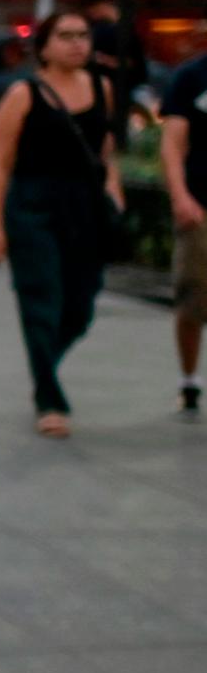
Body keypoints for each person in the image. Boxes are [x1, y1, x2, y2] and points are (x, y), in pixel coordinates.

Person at [0, 9, 122, 438]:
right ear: (44, 46)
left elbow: (106, 149)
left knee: (80, 306)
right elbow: (0, 163)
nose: (78, 43)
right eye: (66, 36)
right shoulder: (24, 94)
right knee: (42, 298)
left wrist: (114, 190)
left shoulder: (102, 87)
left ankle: (45, 369)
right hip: (33, 207)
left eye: (83, 35)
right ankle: (49, 398)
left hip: (85, 206)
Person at [161, 44, 207, 417]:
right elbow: (173, 143)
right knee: (194, 298)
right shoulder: (191, 77)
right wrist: (180, 196)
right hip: (200, 206)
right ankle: (189, 378)